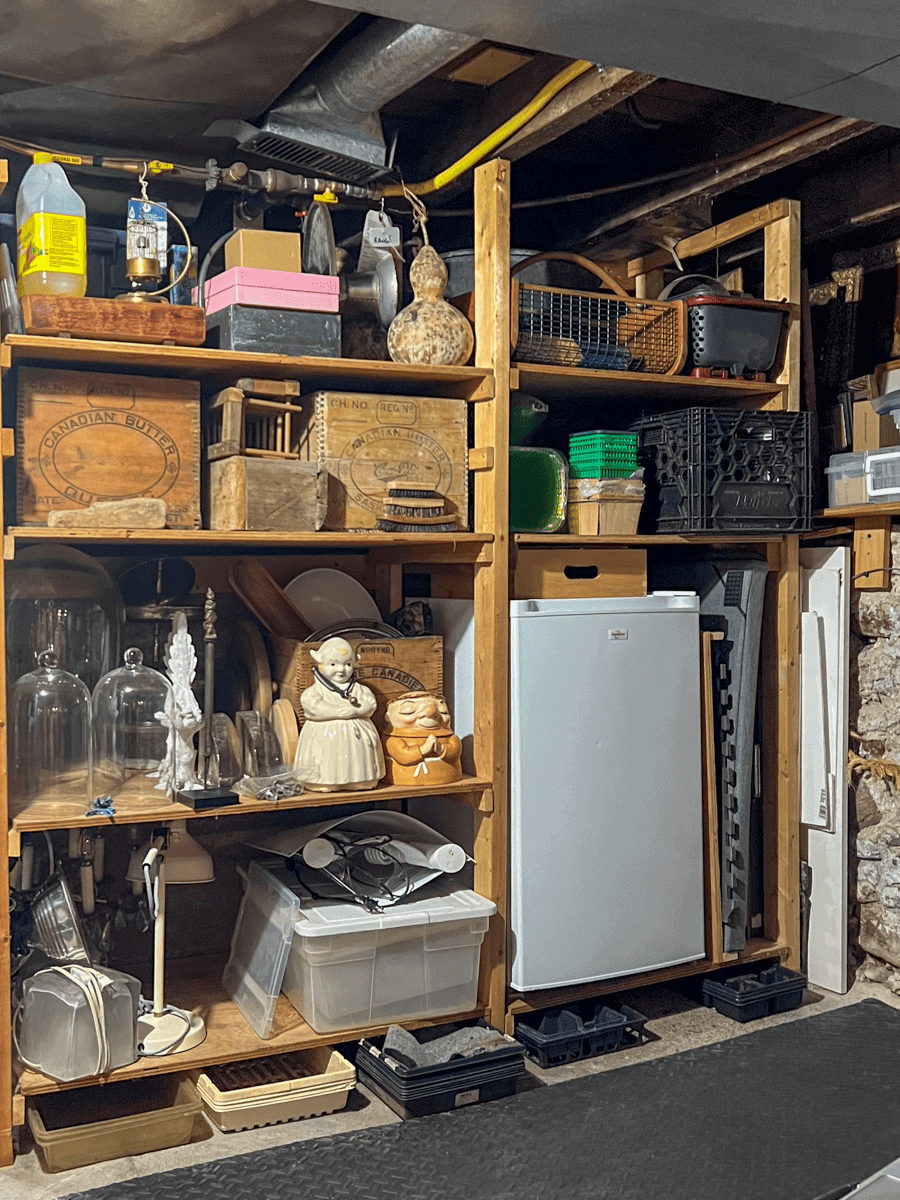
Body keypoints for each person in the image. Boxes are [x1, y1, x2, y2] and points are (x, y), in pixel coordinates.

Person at [293, 637, 385, 791]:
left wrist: (355, 711)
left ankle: (361, 779)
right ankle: (324, 781)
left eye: (347, 664)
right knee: (327, 761)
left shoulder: (359, 689)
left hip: (358, 737)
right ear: (321, 664)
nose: (341, 670)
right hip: (324, 736)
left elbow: (371, 704)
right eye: (333, 664)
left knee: (358, 762)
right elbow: (313, 707)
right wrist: (341, 711)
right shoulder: (315, 691)